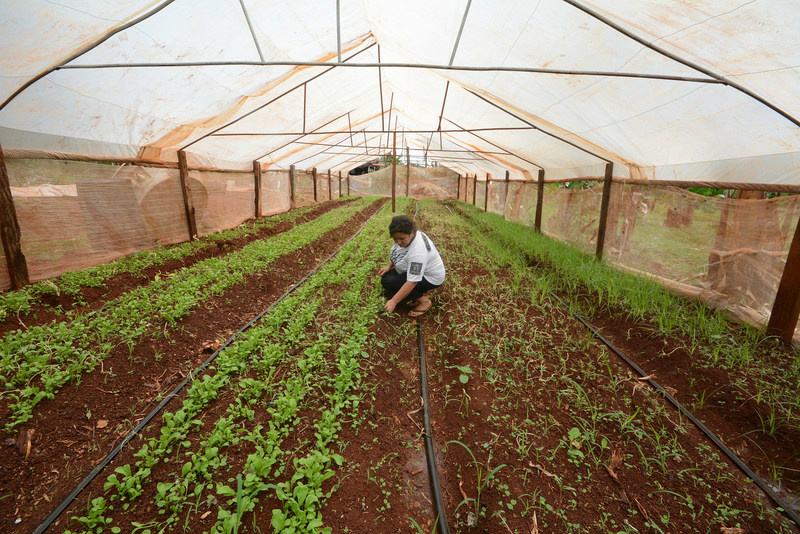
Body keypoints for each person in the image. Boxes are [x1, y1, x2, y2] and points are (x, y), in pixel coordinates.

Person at [378, 215, 446, 317]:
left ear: (412, 233)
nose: (398, 242)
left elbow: (412, 281)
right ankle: (411, 296)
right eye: (395, 239)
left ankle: (424, 301)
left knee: (391, 289)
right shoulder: (400, 236)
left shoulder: (418, 251)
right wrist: (388, 266)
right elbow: (396, 252)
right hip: (413, 270)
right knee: (386, 280)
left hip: (429, 277)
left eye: (402, 239)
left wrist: (394, 301)